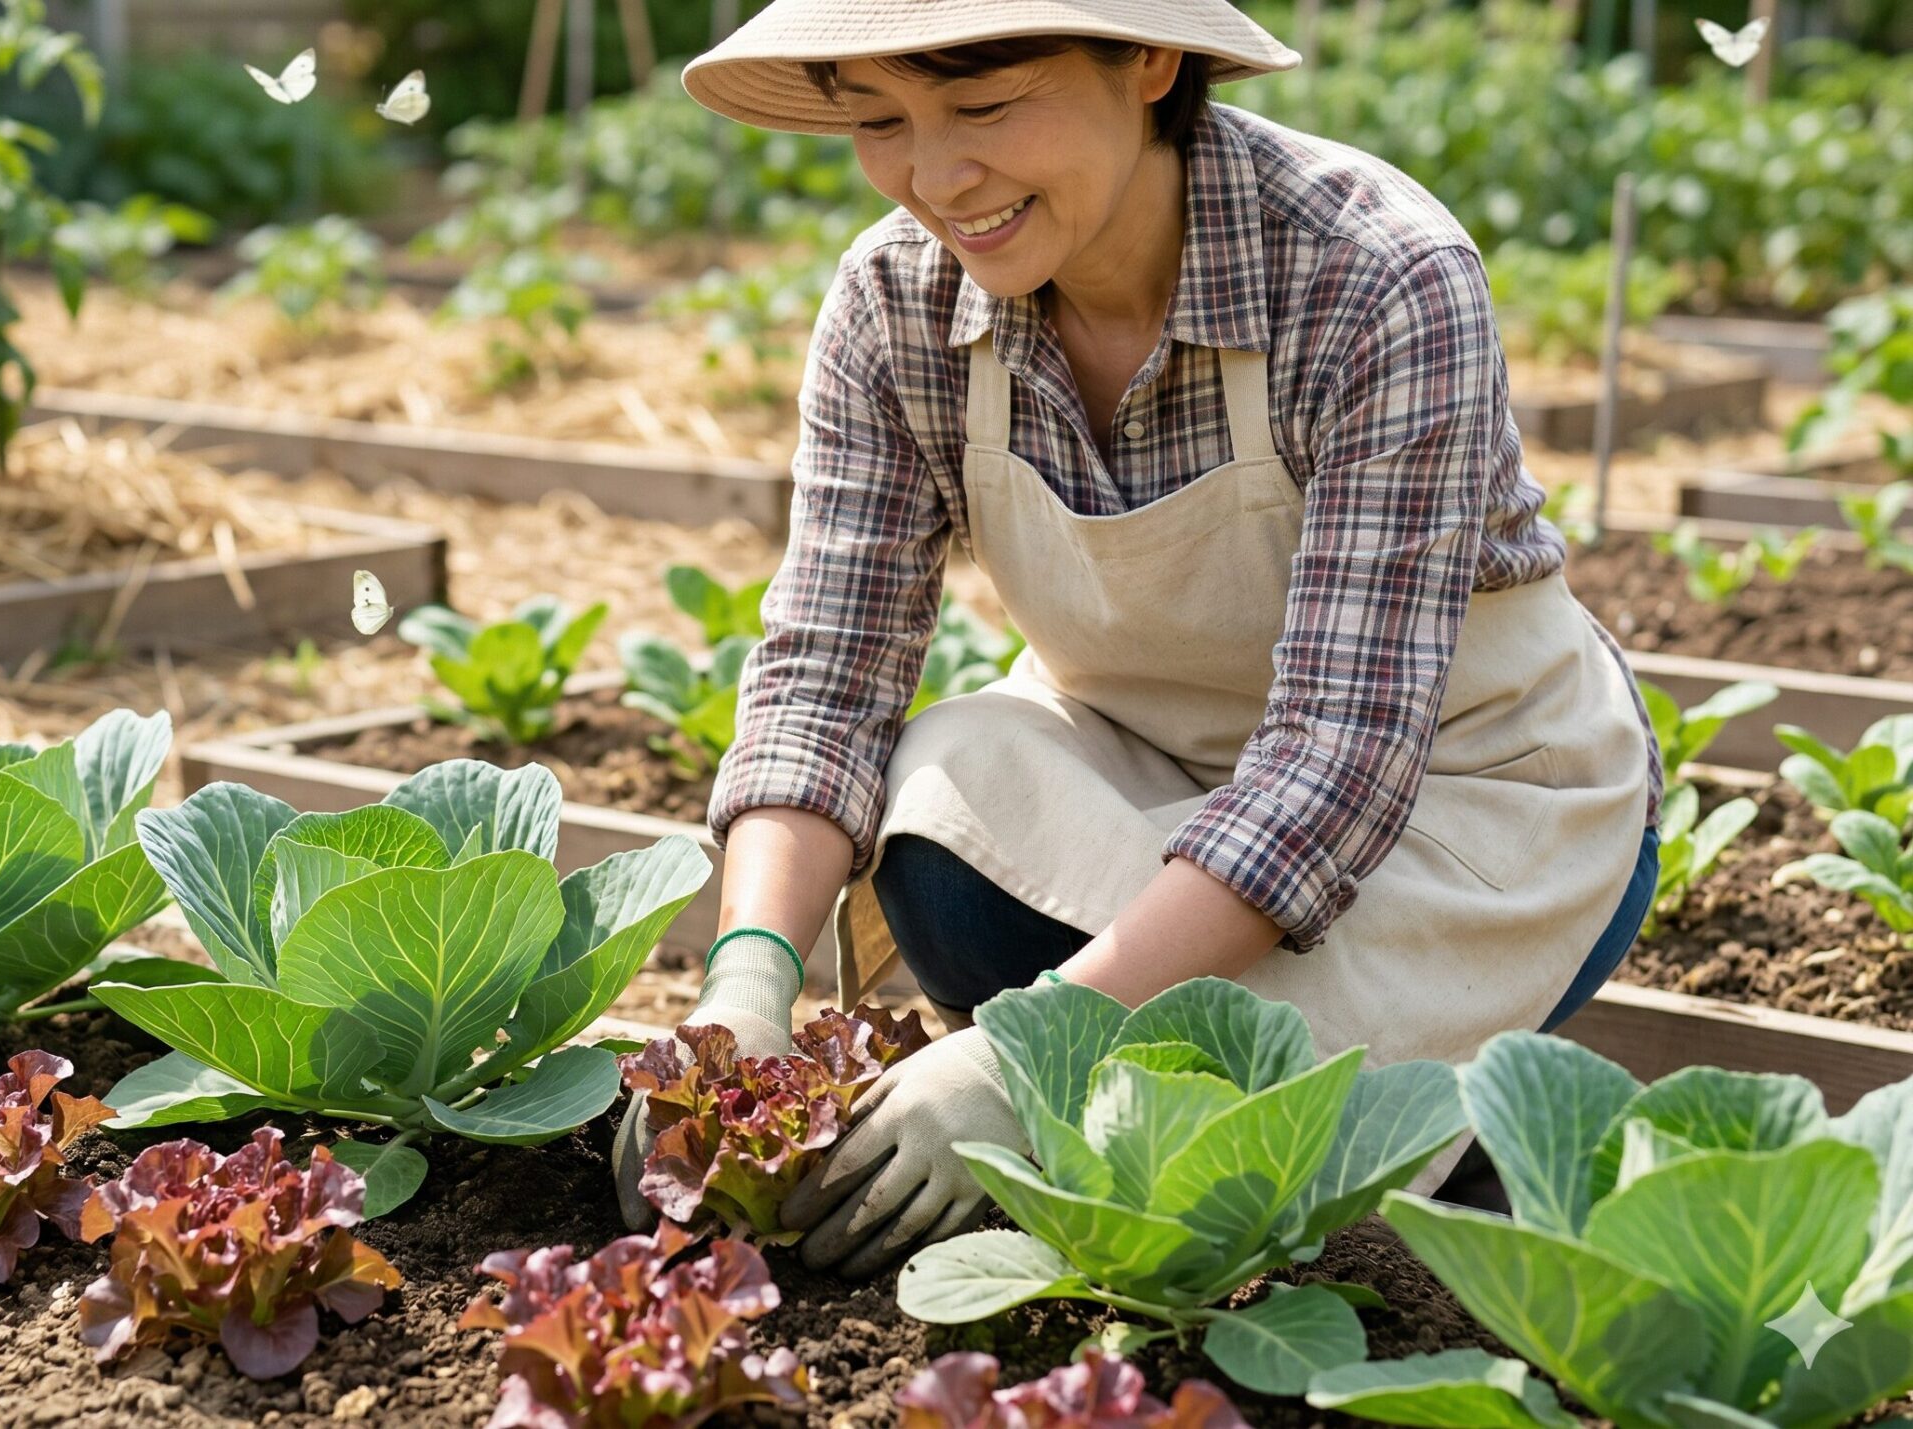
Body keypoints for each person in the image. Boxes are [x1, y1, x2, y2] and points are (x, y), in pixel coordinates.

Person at [613, 0, 1665, 1279]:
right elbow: (827, 673)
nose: (937, 177)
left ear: (1150, 60)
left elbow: (1336, 757)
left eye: (985, 106)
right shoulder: (897, 298)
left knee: (1244, 1159)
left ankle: (1463, 1137)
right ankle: (1151, 1087)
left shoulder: (1371, 273)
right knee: (940, 796)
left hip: (1462, 808)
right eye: (880, 121)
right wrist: (744, 984)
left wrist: (1027, 1051)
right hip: (1144, 769)